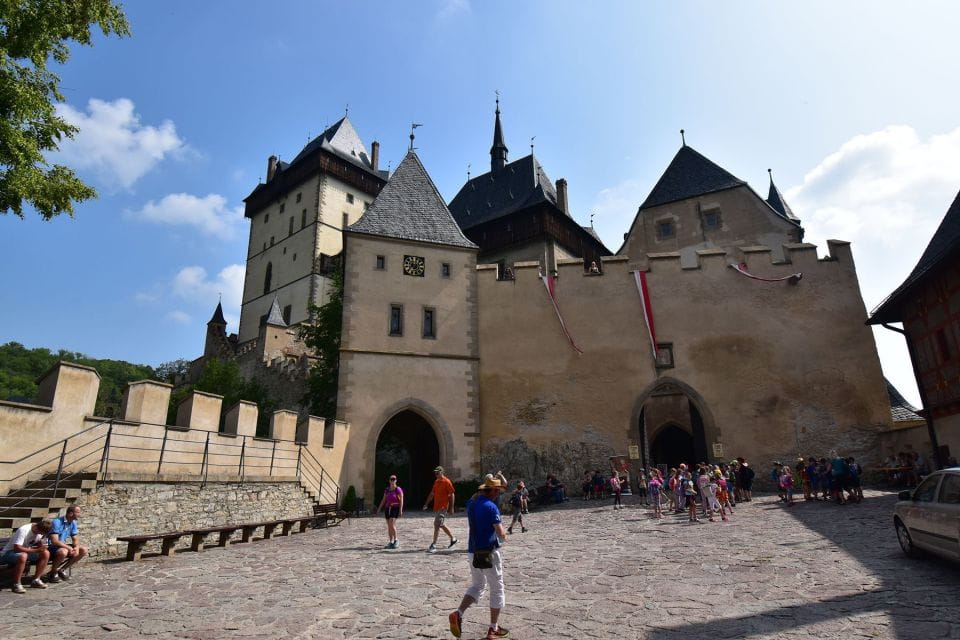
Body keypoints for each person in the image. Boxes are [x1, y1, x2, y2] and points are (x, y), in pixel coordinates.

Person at [448, 476, 509, 640]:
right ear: (493, 491)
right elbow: (500, 533)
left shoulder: (472, 504)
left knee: (478, 584)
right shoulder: (491, 507)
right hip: (489, 552)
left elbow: (473, 500)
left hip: (472, 551)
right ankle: (493, 628)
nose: (498, 494)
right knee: (497, 588)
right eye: (498, 491)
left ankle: (458, 613)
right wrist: (505, 536)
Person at [2, 519, 53, 593]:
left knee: (46, 553)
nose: (41, 535)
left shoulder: (40, 531)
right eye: (40, 533)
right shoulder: (24, 530)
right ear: (36, 528)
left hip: (25, 552)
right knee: (23, 556)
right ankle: (16, 584)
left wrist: (42, 547)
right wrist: (36, 550)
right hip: (8, 553)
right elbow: (17, 548)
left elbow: (39, 543)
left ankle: (36, 580)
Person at [47, 505, 88, 581]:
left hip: (62, 545)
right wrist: (68, 548)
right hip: (51, 547)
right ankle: (53, 572)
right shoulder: (57, 522)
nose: (80, 514)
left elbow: (75, 538)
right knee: (64, 551)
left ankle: (62, 570)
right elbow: (54, 541)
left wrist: (76, 547)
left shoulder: (73, 522)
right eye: (78, 512)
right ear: (70, 513)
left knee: (83, 550)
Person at [424, 465, 458, 553]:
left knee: (436, 524)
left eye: (437, 472)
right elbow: (432, 494)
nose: (436, 474)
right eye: (435, 473)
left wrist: (451, 507)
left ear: (442, 472)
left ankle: (433, 544)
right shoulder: (436, 482)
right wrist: (426, 504)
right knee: (440, 524)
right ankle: (453, 538)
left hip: (443, 506)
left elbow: (452, 494)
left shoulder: (447, 482)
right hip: (437, 506)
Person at [375, 474, 404, 549]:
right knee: (389, 526)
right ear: (389, 480)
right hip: (388, 508)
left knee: (392, 524)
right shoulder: (387, 489)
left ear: (396, 480)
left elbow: (401, 500)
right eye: (391, 479)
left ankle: (396, 540)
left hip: (395, 508)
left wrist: (401, 510)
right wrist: (379, 509)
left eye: (394, 479)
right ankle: (391, 541)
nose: (393, 481)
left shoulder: (398, 489)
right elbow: (383, 500)